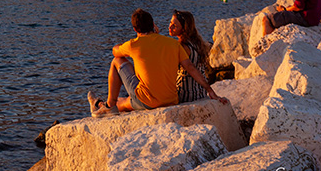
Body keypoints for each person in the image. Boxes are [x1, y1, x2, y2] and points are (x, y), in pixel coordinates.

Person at [87, 9, 225, 116]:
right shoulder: (173, 44)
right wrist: (210, 90)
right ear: (153, 25)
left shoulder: (134, 44)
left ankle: (106, 105)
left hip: (149, 101)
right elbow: (191, 67)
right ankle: (102, 104)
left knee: (117, 63)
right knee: (125, 100)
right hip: (171, 99)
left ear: (135, 29)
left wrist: (129, 44)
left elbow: (115, 51)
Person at [169, 10, 211, 103]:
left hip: (186, 93)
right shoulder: (197, 42)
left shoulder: (182, 46)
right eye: (170, 23)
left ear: (184, 29)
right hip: (200, 91)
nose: (170, 27)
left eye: (175, 26)